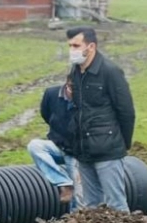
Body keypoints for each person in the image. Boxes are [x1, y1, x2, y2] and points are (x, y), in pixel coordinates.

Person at [66, 26, 136, 212]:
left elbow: (126, 111)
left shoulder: (110, 71)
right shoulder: (76, 72)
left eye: (76, 45)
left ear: (91, 46)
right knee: (91, 207)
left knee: (116, 205)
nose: (72, 50)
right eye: (70, 46)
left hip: (107, 149)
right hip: (84, 150)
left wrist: (122, 143)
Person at [27, 76, 83, 212]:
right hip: (58, 146)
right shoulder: (51, 94)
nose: (74, 95)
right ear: (66, 85)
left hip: (77, 153)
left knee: (79, 197)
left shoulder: (87, 100)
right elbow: (46, 114)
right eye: (72, 90)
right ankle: (64, 183)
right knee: (35, 146)